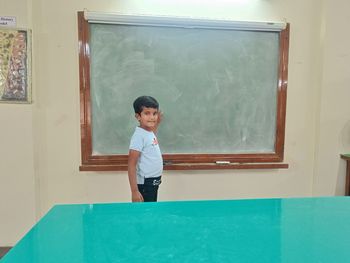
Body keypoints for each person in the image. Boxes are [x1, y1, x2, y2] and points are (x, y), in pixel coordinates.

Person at [128, 96, 163, 202]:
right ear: (138, 116)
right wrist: (134, 191)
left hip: (153, 182)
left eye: (154, 113)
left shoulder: (148, 132)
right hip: (145, 184)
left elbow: (151, 132)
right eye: (147, 113)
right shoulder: (138, 136)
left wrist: (157, 122)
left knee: (150, 212)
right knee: (145, 214)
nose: (152, 117)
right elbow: (131, 165)